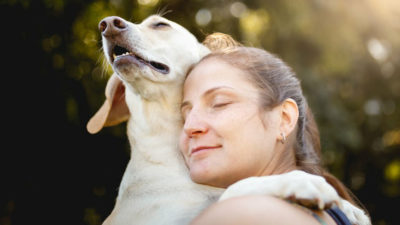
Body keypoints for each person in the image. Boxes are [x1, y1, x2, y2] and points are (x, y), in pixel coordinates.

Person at [179, 45, 368, 224]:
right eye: (184, 116)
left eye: (220, 103)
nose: (189, 126)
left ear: (284, 119)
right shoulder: (331, 213)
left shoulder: (239, 216)